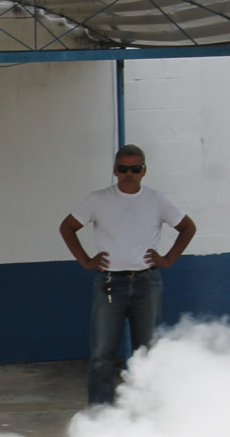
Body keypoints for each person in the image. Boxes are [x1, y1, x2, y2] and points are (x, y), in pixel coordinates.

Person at [59, 144, 197, 406]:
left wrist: (168, 258)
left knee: (146, 352)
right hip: (109, 282)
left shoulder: (158, 200)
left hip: (147, 282)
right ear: (115, 170)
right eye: (123, 168)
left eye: (135, 168)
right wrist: (85, 260)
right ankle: (101, 413)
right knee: (102, 354)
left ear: (144, 170)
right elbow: (67, 227)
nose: (129, 173)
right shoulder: (98, 199)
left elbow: (188, 227)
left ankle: (146, 411)